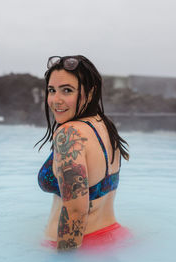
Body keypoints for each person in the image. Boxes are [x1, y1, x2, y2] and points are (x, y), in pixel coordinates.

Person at [37, 55, 130, 251]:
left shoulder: (69, 134)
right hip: (113, 238)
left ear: (90, 92)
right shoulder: (104, 125)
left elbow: (76, 210)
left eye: (67, 91)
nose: (56, 100)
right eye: (52, 90)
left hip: (80, 247)